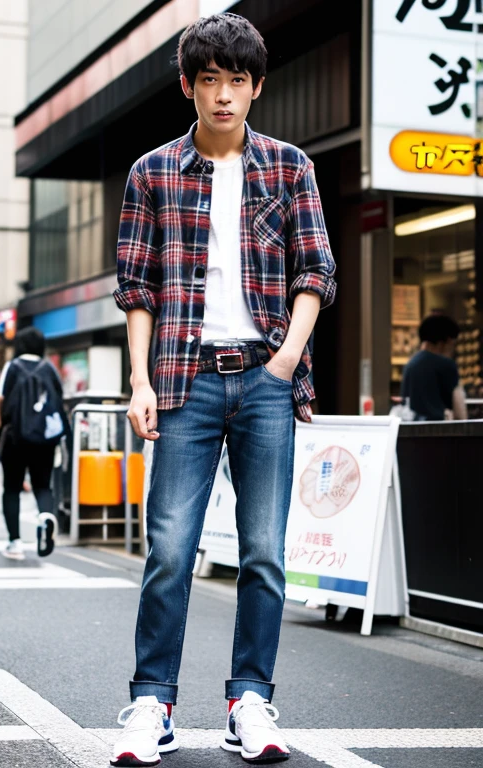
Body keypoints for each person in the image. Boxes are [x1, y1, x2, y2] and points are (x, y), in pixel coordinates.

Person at [112, 13, 336, 767]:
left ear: (256, 86)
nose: (223, 95)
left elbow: (317, 273)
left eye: (236, 80)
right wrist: (139, 379)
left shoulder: (290, 167)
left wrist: (284, 365)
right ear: (188, 85)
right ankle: (152, 704)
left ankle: (249, 700)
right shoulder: (153, 172)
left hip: (268, 380)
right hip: (181, 379)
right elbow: (138, 288)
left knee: (264, 552)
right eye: (208, 79)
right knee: (170, 548)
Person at [0, 327, 63, 560]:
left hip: (15, 437)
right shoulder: (49, 368)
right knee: (43, 486)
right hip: (45, 439)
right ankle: (45, 516)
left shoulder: (13, 367)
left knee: (12, 487)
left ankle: (15, 543)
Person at [401, 314, 467, 421]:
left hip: (412, 430)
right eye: (452, 344)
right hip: (440, 431)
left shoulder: (410, 365)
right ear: (444, 342)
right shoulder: (446, 364)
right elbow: (460, 412)